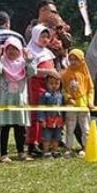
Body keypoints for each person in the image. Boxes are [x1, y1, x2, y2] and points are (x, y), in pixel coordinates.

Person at [0, 38, 36, 162]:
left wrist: (29, 58)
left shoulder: (23, 63)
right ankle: (3, 154)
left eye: (15, 49)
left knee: (20, 128)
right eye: (9, 48)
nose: (12, 51)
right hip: (5, 101)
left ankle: (21, 152)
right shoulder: (2, 62)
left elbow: (32, 72)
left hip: (19, 101)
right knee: (5, 128)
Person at [25, 25, 58, 157]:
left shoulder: (47, 52)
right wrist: (48, 72)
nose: (45, 39)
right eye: (42, 36)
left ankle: (46, 142)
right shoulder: (29, 51)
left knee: (48, 114)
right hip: (36, 87)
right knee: (36, 116)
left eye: (47, 36)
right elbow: (31, 71)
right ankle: (33, 143)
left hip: (49, 87)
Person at [61, 48, 94, 158]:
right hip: (71, 105)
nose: (73, 62)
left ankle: (86, 148)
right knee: (70, 128)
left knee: (86, 128)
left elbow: (90, 89)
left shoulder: (85, 73)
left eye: (76, 59)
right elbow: (64, 89)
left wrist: (90, 102)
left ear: (81, 60)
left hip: (83, 105)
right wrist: (68, 97)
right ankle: (68, 148)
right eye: (71, 59)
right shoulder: (65, 74)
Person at [39, 74, 64, 158]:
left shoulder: (61, 95)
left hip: (58, 120)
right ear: (46, 83)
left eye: (56, 83)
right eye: (51, 83)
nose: (54, 85)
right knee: (47, 137)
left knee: (57, 137)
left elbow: (63, 108)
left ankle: (55, 151)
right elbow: (41, 108)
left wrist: (64, 119)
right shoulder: (44, 95)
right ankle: (46, 152)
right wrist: (42, 119)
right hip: (48, 119)